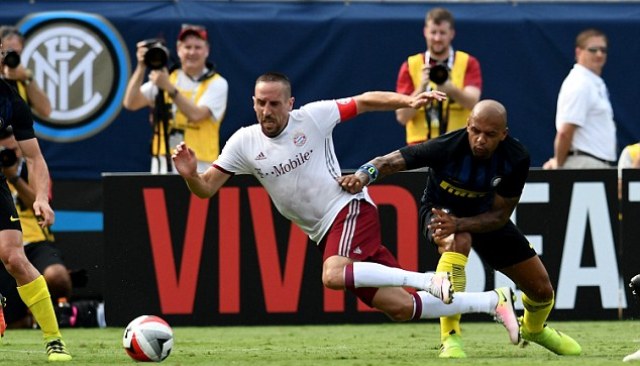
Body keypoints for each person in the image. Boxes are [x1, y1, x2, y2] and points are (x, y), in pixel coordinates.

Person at [172, 72, 520, 347]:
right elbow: (205, 188)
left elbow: (364, 102)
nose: (267, 111)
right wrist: (190, 176)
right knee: (401, 307)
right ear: (253, 102)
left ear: (290, 103)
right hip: (323, 233)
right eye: (261, 103)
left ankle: (428, 280)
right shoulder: (243, 142)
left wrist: (408, 101)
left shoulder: (312, 118)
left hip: (348, 209)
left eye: (275, 103)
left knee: (332, 275)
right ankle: (492, 301)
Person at [340, 99, 581, 358]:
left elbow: (499, 216)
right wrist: (363, 175)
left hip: (485, 219)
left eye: (489, 135)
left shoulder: (516, 157)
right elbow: (389, 161)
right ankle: (451, 338)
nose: (480, 139)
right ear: (467, 125)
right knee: (457, 241)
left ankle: (534, 330)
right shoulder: (446, 147)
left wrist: (461, 222)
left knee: (542, 290)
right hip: (440, 212)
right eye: (475, 131)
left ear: (503, 135)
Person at [0, 65, 70, 359]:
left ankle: (54, 340)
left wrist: (41, 196)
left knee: (14, 257)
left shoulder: (10, 100)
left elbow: (34, 156)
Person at [123, 24, 228, 174]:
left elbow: (197, 115)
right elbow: (130, 103)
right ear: (179, 50)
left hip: (200, 162)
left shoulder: (217, 83)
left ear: (207, 50)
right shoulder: (166, 77)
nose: (192, 52)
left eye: (197, 47)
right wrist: (141, 66)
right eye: (187, 47)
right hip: (164, 160)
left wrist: (169, 88)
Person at [0, 127, 72, 329]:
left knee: (57, 276)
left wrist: (13, 176)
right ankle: (28, 320)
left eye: (14, 150)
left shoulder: (32, 169)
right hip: (4, 247)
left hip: (35, 241)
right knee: (15, 322)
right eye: (5, 152)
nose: (10, 155)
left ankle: (62, 313)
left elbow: (39, 205)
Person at [395, 7, 481, 145]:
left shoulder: (468, 62)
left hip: (457, 143)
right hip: (419, 145)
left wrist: (450, 88)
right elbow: (401, 117)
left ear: (451, 34)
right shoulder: (411, 65)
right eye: (433, 32)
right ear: (425, 32)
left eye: (442, 33)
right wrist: (421, 89)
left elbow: (472, 103)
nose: (437, 38)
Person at [543, 28, 616, 169]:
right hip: (585, 165)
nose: (599, 54)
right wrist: (558, 164)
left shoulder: (592, 83)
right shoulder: (580, 83)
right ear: (578, 52)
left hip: (594, 164)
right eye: (593, 50)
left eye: (603, 50)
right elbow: (565, 131)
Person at [0, 25, 52, 118]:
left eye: (16, 53)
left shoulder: (23, 78)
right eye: (6, 52)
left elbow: (46, 111)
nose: (10, 56)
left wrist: (27, 79)